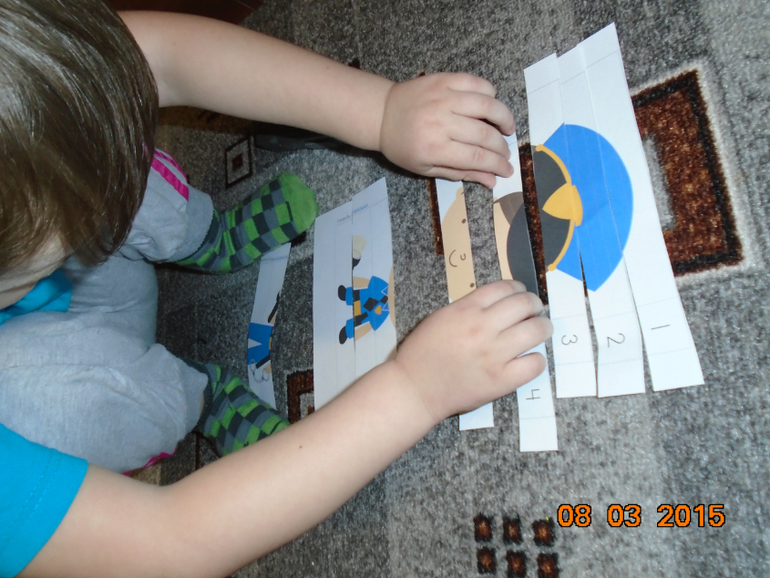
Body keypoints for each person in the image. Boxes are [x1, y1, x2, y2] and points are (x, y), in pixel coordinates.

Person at [0, 1, 553, 576]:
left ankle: (207, 239)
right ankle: (197, 396)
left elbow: (162, 55)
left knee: (88, 137)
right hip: (75, 388)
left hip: (94, 286)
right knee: (37, 404)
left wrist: (381, 111)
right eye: (63, 240)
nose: (97, 224)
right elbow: (166, 547)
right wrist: (417, 390)